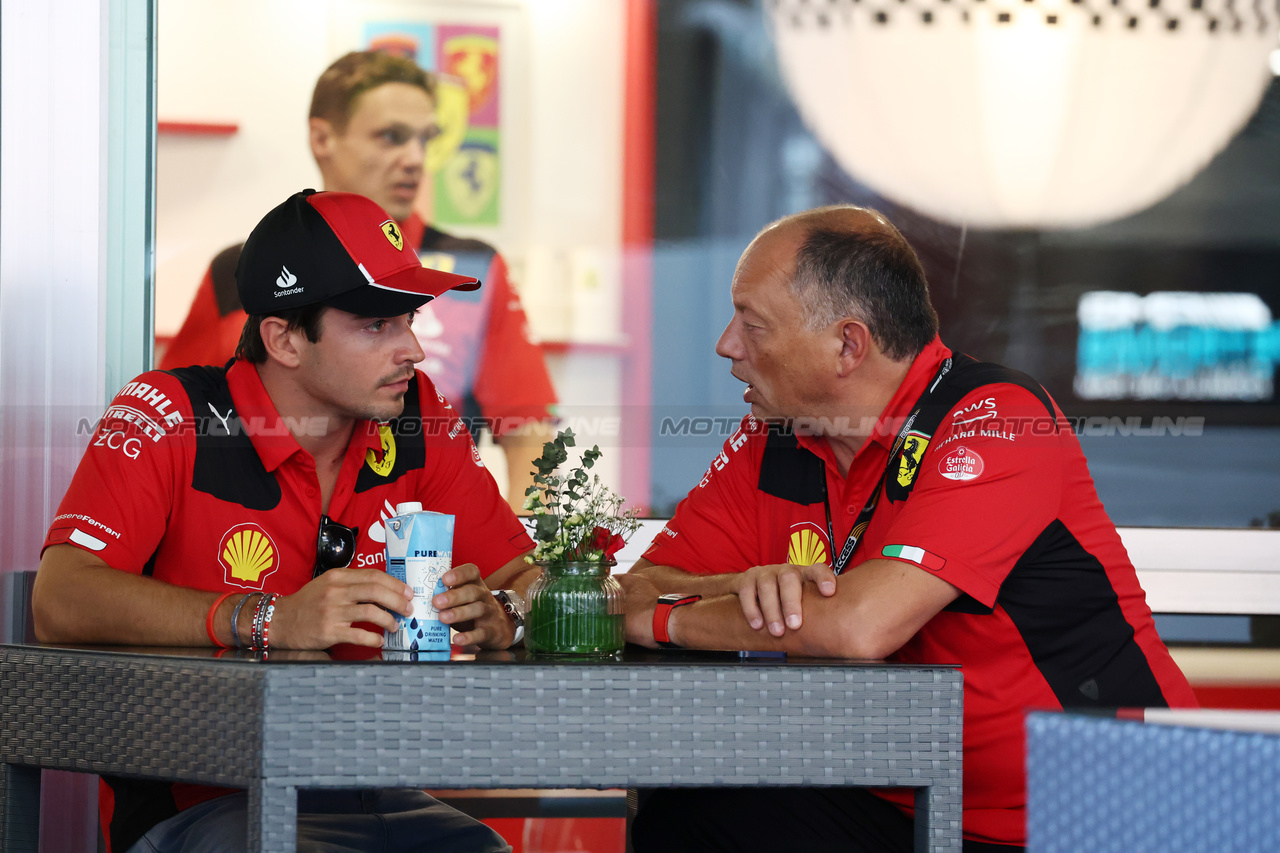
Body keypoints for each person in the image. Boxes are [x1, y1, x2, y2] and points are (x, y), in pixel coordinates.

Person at [619, 206, 1197, 852]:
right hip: (905, 801)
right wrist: (744, 585)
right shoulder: (774, 440)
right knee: (691, 806)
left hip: (1097, 814)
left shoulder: (997, 417)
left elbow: (860, 626)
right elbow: (639, 588)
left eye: (752, 325)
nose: (727, 344)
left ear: (848, 345)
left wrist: (670, 620)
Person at [33, 189, 541, 853]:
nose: (413, 348)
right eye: (376, 323)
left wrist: (507, 611)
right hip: (208, 804)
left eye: (410, 319)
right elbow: (60, 597)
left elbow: (531, 578)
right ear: (284, 338)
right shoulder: (168, 414)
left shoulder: (420, 418)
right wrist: (269, 618)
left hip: (379, 792)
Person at [160, 50, 555, 511]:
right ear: (322, 138)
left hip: (422, 557)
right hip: (262, 551)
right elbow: (181, 422)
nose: (415, 159)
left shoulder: (473, 270)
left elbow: (529, 435)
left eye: (425, 139)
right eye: (391, 137)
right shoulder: (240, 270)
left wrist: (525, 559)